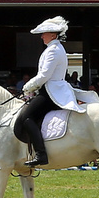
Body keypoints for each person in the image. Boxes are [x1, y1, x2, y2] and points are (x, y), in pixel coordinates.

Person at [14, 16, 85, 167]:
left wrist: (27, 86)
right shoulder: (53, 48)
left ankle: (41, 154)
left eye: (44, 33)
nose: (41, 36)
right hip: (48, 89)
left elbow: (45, 75)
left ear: (53, 34)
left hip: (51, 92)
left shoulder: (54, 50)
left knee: (27, 117)